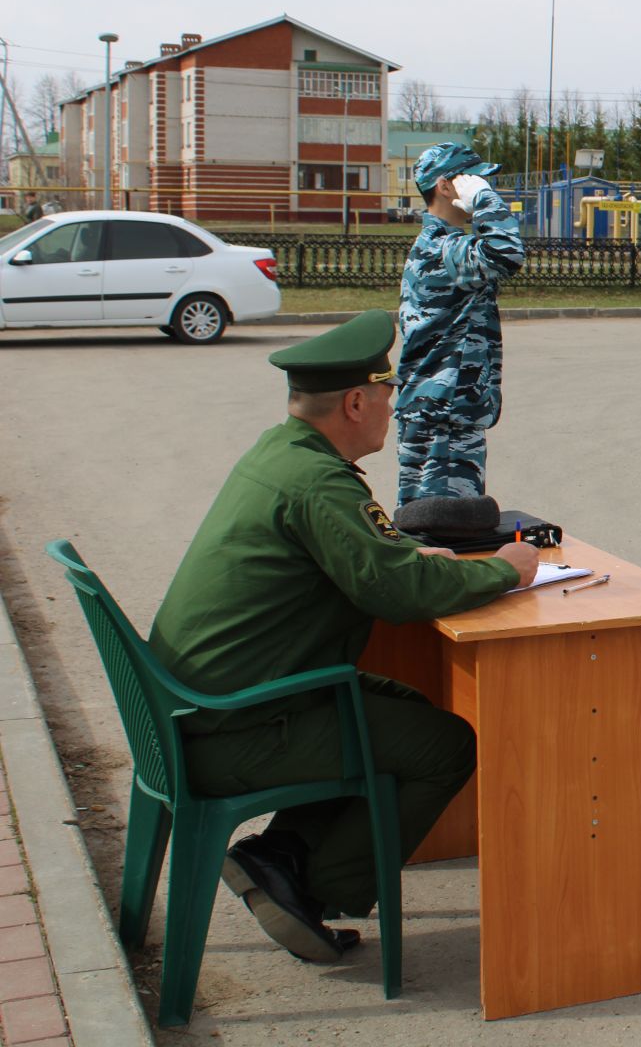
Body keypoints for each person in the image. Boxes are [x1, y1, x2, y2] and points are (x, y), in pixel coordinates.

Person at [147, 310, 539, 962]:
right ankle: (313, 887)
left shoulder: (283, 454)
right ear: (357, 402)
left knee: (406, 708)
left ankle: (281, 856)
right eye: (388, 393)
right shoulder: (319, 484)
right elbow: (395, 593)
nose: (393, 407)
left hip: (210, 709)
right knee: (444, 747)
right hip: (232, 730)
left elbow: (373, 566)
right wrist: (506, 569)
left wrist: (410, 565)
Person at [396, 143, 526, 507]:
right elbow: (506, 252)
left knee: (425, 527)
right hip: (444, 418)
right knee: (445, 531)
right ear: (444, 187)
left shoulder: (442, 245)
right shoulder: (444, 248)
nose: (484, 184)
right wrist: (485, 200)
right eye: (472, 178)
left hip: (437, 411)